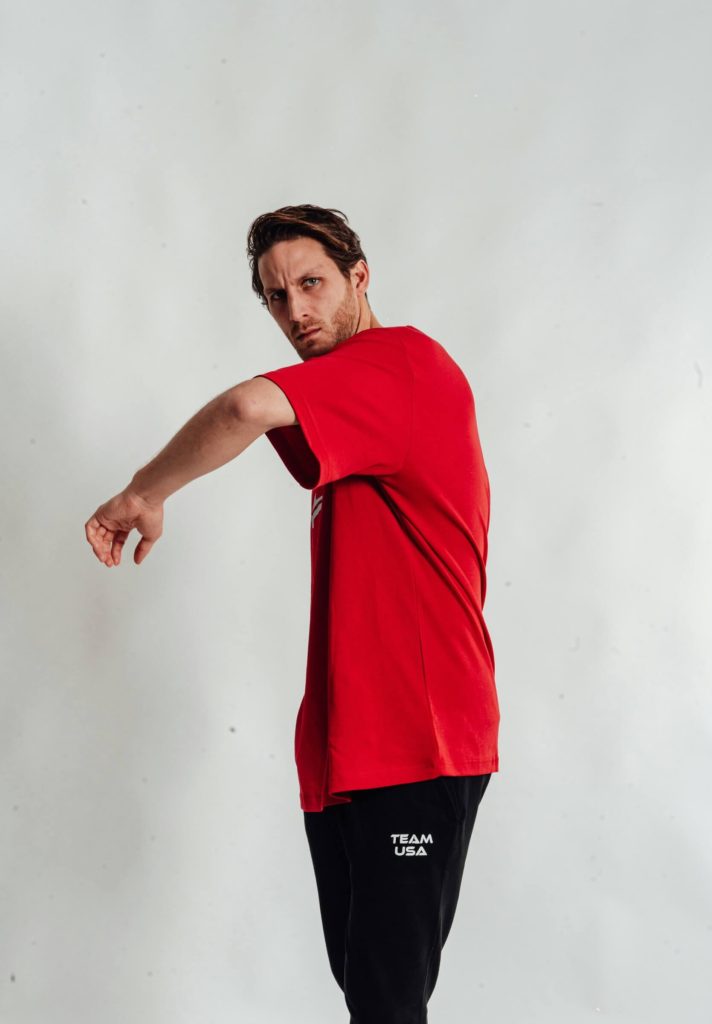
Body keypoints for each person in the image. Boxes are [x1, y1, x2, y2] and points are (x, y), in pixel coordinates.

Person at [84, 204, 501, 1023]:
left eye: (312, 284)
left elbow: (244, 410)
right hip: (352, 746)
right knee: (368, 992)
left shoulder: (400, 363)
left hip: (419, 739)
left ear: (360, 276)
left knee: (386, 1003)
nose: (296, 311)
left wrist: (143, 493)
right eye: (276, 296)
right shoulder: (353, 403)